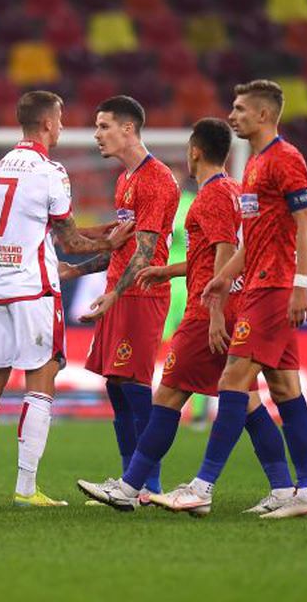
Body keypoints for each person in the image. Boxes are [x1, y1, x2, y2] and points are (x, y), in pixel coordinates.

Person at [77, 118, 297, 515]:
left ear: (195, 151)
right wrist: (169, 269)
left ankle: (132, 486)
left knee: (167, 396)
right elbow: (210, 255)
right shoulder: (234, 190)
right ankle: (284, 487)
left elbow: (224, 254)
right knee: (247, 401)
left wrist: (213, 314)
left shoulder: (209, 197)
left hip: (206, 309)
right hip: (238, 303)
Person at [150, 80, 307, 519]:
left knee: (232, 382)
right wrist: (223, 279)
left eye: (241, 107)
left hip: (275, 286)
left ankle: (202, 486)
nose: (233, 114)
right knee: (286, 389)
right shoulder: (257, 167)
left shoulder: (285, 159)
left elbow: (306, 223)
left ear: (264, 115)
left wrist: (302, 283)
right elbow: (255, 238)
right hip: (261, 282)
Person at [0, 91, 133, 508]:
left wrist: (101, 230)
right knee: (40, 380)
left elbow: (37, 227)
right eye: (59, 120)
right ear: (46, 124)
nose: (62, 127)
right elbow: (68, 242)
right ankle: (26, 488)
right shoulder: (51, 172)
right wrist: (112, 244)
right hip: (34, 288)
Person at [64, 96, 179, 496]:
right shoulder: (126, 178)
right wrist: (75, 270)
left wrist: (112, 295)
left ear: (128, 129)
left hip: (141, 295)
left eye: (104, 126)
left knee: (133, 383)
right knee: (116, 384)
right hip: (120, 292)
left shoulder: (156, 179)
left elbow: (145, 253)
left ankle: (147, 484)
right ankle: (130, 477)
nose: (97, 135)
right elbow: (121, 247)